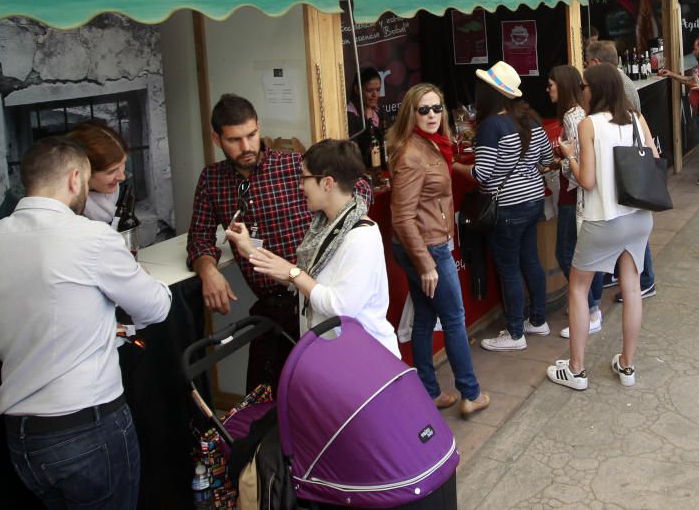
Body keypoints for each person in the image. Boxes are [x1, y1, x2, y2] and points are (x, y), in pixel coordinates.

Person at [0, 137, 173, 508]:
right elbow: (155, 308)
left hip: (23, 439)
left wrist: (30, 340)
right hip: (88, 426)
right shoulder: (90, 238)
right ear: (75, 179)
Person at [187, 94, 371, 393]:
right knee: (263, 398)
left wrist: (329, 239)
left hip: (313, 299)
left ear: (259, 127)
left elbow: (359, 189)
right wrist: (208, 271)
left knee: (323, 395)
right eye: (235, 140)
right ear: (216, 138)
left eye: (251, 135)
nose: (246, 147)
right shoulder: (212, 179)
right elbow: (199, 236)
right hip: (269, 308)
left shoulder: (295, 165)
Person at [225, 139, 399, 357]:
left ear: (327, 183)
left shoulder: (361, 236)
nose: (300, 186)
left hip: (363, 363)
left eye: (304, 178)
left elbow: (340, 308)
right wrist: (249, 250)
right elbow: (303, 281)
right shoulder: (323, 226)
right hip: (332, 358)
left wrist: (294, 273)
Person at [547, 64, 658, 391]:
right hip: (638, 217)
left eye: (585, 85)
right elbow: (652, 160)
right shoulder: (637, 118)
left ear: (595, 89)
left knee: (579, 288)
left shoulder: (588, 124)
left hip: (603, 218)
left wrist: (568, 156)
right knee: (632, 286)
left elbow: (587, 180)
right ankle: (627, 365)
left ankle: (577, 370)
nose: (582, 89)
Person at [386, 83, 490, 418]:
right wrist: (426, 263)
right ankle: (470, 393)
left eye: (436, 108)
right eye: (424, 110)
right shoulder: (411, 154)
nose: (432, 115)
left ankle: (429, 392)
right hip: (427, 246)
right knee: (454, 319)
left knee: (425, 318)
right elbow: (401, 217)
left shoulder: (432, 145)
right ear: (410, 113)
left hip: (428, 243)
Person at [452, 61, 553, 352]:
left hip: (506, 206)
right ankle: (538, 320)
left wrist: (457, 166)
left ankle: (514, 332)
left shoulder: (490, 127)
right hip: (534, 199)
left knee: (509, 269)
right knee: (530, 260)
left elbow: (481, 174)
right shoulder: (531, 118)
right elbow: (546, 159)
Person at [585, 41, 658, 300]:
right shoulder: (624, 82)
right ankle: (630, 277)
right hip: (630, 178)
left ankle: (646, 279)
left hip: (623, 178)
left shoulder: (595, 117)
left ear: (595, 64)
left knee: (579, 283)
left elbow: (587, 178)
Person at [546, 65, 604, 338]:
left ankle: (590, 309)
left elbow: (580, 162)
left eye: (551, 84)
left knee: (567, 253)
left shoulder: (572, 117)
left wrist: (563, 161)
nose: (548, 90)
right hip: (577, 191)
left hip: (573, 193)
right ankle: (589, 305)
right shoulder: (580, 113)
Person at [660, 36, 699, 186]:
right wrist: (672, 74)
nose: (694, 51)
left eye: (696, 48)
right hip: (698, 111)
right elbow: (690, 80)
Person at [66, 120, 129, 224]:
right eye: (111, 171)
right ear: (84, 173)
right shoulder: (68, 213)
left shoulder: (118, 192)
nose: (122, 177)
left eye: (123, 164)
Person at [586, 40, 640, 112]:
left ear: (595, 62)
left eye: (587, 63)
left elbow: (624, 120)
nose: (586, 68)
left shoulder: (620, 86)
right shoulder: (618, 81)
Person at [347, 66, 384, 168]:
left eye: (378, 90)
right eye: (369, 90)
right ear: (357, 89)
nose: (375, 95)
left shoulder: (380, 112)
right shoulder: (350, 116)